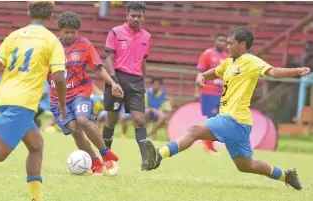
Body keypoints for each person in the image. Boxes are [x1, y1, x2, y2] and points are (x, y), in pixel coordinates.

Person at [144, 27, 306, 190]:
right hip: (239, 123)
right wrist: (202, 76)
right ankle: (287, 176)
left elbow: (274, 71)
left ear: (242, 44)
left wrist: (297, 71)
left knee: (194, 130)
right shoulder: (229, 62)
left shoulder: (252, 61)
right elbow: (214, 73)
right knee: (246, 165)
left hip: (235, 120)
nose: (227, 46)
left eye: (231, 43)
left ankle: (158, 155)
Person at [0, 2, 67, 201]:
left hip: (7, 97)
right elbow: (59, 78)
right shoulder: (52, 41)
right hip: (23, 102)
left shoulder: (14, 35)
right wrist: (63, 105)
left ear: (28, 13)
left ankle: (36, 197)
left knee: (36, 145)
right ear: (51, 17)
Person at [47, 11, 123, 176]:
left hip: (79, 92)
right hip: (57, 98)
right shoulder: (50, 47)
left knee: (82, 120)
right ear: (60, 30)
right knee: (74, 129)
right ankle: (95, 162)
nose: (69, 35)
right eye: (66, 31)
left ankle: (106, 155)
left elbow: (98, 67)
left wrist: (113, 83)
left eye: (73, 32)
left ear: (78, 31)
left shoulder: (85, 45)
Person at [103, 1, 152, 170]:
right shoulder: (115, 32)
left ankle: (147, 160)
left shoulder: (147, 37)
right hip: (117, 78)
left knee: (139, 120)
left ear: (143, 16)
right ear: (127, 15)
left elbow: (144, 61)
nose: (136, 19)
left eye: (139, 16)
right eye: (133, 15)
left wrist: (143, 81)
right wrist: (113, 80)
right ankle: (105, 156)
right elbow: (108, 58)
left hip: (136, 81)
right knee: (111, 121)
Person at [195, 33, 228, 154]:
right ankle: (207, 145)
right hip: (209, 91)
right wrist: (197, 90)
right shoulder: (207, 54)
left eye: (224, 41)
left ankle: (209, 144)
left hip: (223, 92)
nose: (222, 43)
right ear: (214, 41)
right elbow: (200, 73)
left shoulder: (228, 57)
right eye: (220, 40)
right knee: (211, 118)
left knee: (220, 118)